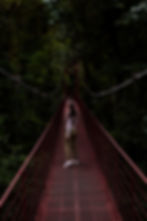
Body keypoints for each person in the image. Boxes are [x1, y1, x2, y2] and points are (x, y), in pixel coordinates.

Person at [63, 99, 80, 168]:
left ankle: (68, 161)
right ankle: (75, 159)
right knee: (73, 145)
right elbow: (75, 122)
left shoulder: (68, 113)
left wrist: (67, 134)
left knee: (67, 146)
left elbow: (68, 124)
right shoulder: (75, 112)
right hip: (75, 130)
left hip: (69, 131)